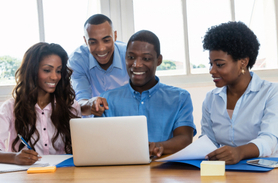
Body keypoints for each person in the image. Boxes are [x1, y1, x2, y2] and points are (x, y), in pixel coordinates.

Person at [100, 30, 196, 158]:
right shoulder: (108, 99)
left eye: (146, 58)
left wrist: (159, 147)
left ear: (159, 60)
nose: (137, 64)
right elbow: (100, 143)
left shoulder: (179, 98)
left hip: (163, 172)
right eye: (131, 57)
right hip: (120, 172)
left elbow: (185, 139)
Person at [201, 21, 278, 164]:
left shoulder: (271, 93)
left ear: (243, 62)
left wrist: (239, 152)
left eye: (219, 64)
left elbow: (270, 139)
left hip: (265, 171)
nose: (212, 70)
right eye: (210, 64)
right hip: (225, 171)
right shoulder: (211, 98)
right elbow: (207, 141)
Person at [0, 42, 81, 165]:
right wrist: (14, 157)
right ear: (32, 71)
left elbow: (82, 147)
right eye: (47, 70)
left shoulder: (71, 107)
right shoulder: (10, 107)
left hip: (63, 174)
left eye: (59, 71)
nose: (55, 77)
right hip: (24, 176)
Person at [68, 14, 129, 116]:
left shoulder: (129, 55)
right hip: (94, 122)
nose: (101, 48)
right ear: (85, 41)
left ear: (115, 36)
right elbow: (81, 99)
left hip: (127, 117)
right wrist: (89, 103)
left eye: (106, 40)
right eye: (93, 42)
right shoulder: (77, 60)